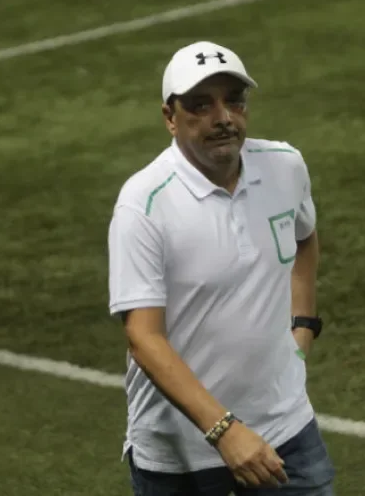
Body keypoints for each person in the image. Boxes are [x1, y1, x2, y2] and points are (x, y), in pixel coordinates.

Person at [107, 40, 335, 495]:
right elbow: (144, 338)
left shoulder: (284, 166)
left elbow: (304, 238)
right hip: (182, 456)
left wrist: (303, 327)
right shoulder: (144, 204)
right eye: (201, 105)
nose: (224, 117)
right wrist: (224, 431)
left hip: (286, 430)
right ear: (170, 118)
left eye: (234, 100)